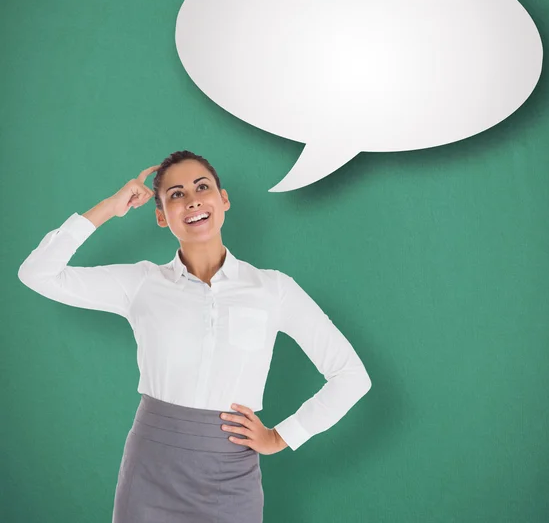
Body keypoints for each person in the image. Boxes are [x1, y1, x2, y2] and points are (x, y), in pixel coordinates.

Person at [17, 149, 372, 523]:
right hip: (151, 470)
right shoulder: (141, 283)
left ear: (223, 199)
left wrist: (281, 436)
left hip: (232, 477)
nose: (192, 200)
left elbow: (351, 376)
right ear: (160, 216)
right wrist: (111, 205)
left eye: (202, 187)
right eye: (175, 195)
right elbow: (37, 274)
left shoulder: (274, 289)